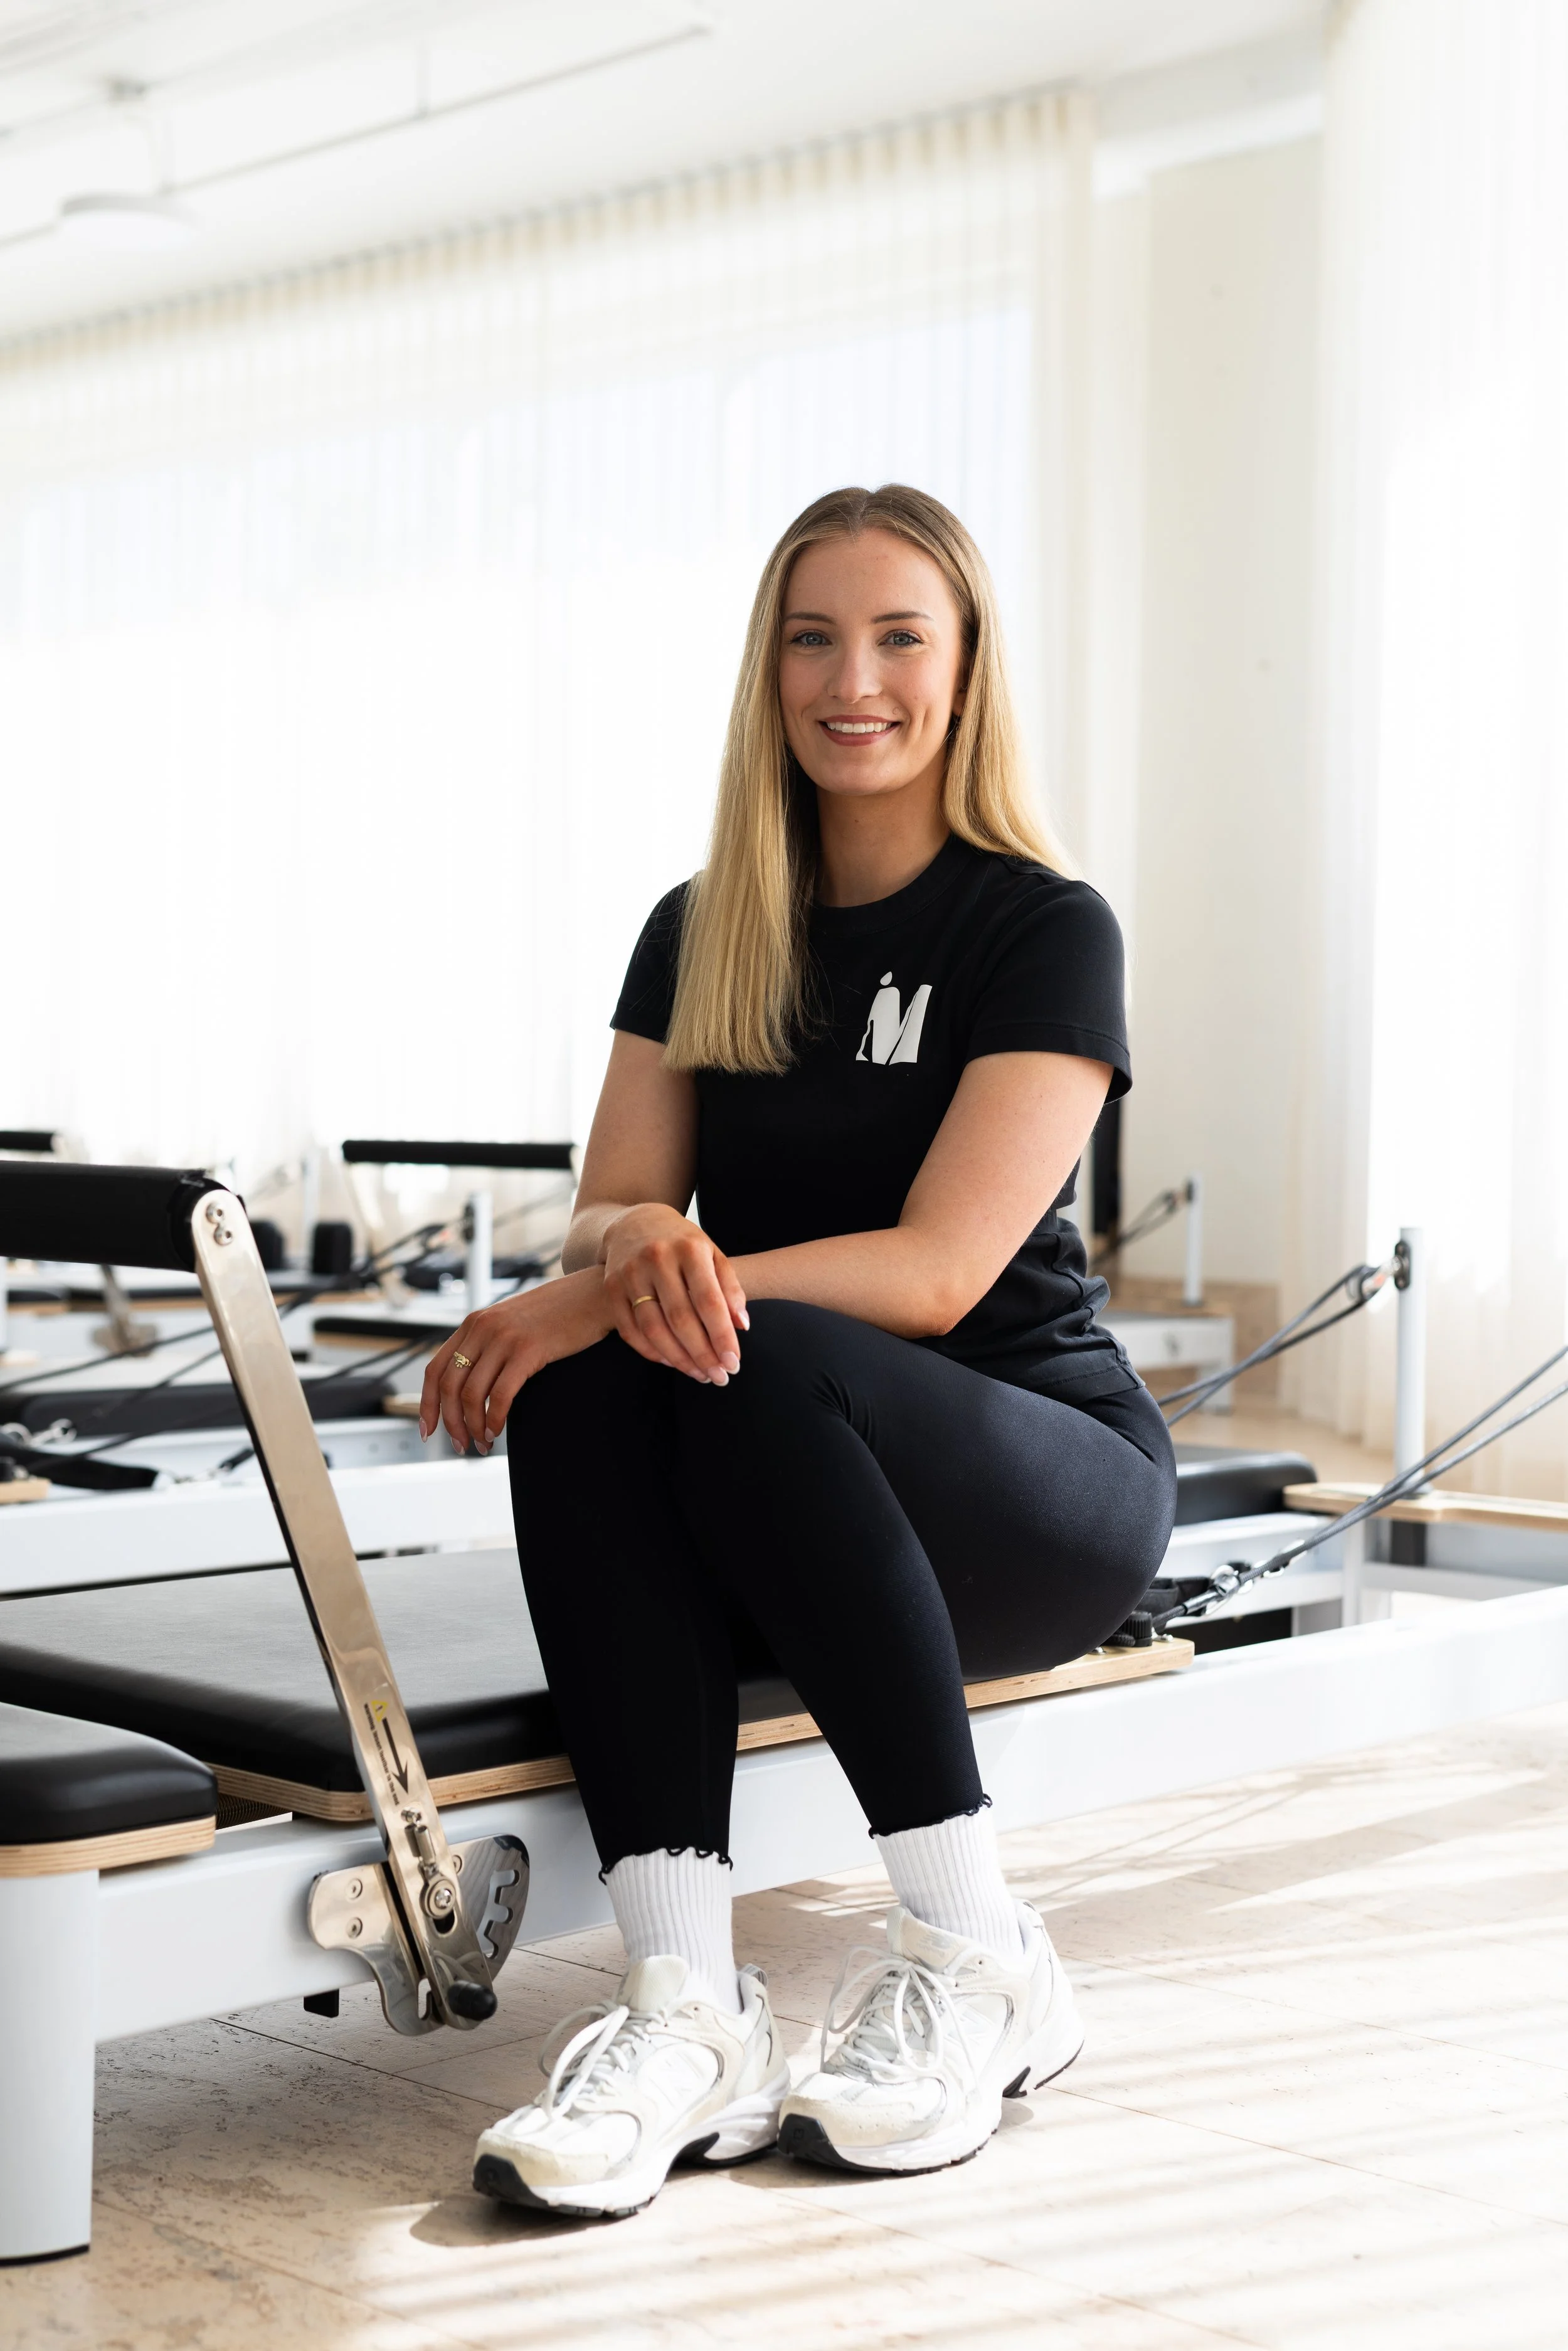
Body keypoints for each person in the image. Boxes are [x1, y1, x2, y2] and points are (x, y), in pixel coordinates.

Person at [419, 482, 1177, 2220]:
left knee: (731, 1349)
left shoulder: (1042, 927)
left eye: (899, 635)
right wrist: (625, 1260)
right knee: (607, 1372)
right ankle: (687, 2002)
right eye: (812, 636)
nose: (855, 678)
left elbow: (929, 1270)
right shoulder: (703, 927)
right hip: (778, 1493)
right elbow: (616, 1204)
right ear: (767, 671)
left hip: (1027, 1486)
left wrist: (633, 1281)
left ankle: (982, 1954)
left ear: (965, 665)